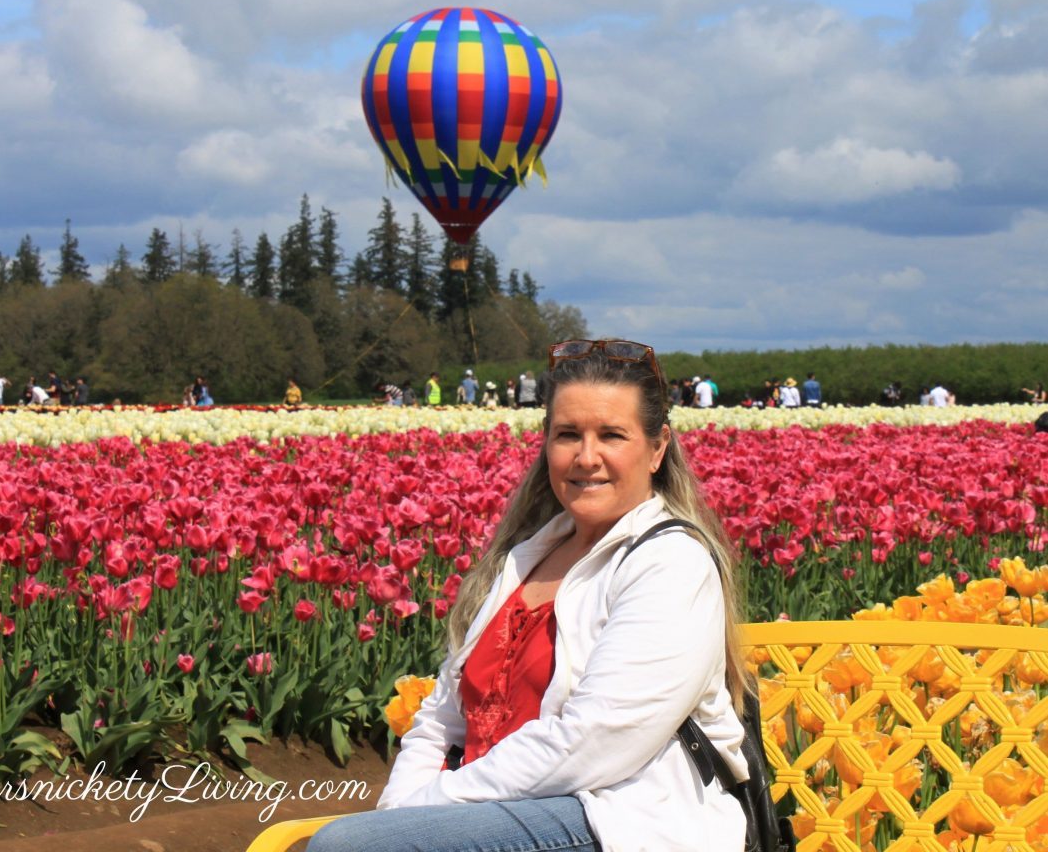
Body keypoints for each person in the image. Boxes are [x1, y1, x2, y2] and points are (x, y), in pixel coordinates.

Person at [308, 338, 749, 852]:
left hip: (622, 821)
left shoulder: (670, 563)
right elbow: (440, 718)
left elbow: (595, 741)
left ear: (657, 448)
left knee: (346, 848)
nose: (586, 457)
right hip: (494, 809)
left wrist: (432, 805)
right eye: (568, 435)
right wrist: (399, 812)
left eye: (611, 435)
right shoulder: (523, 557)